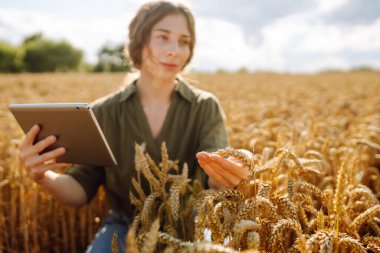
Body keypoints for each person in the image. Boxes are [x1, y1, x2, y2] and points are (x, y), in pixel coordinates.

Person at [19, 1, 247, 252]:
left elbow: (213, 178)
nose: (174, 50)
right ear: (140, 41)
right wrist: (43, 176)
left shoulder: (205, 107)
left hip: (187, 223)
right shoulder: (104, 112)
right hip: (122, 225)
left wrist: (226, 177)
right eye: (163, 37)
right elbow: (80, 189)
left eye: (184, 41)